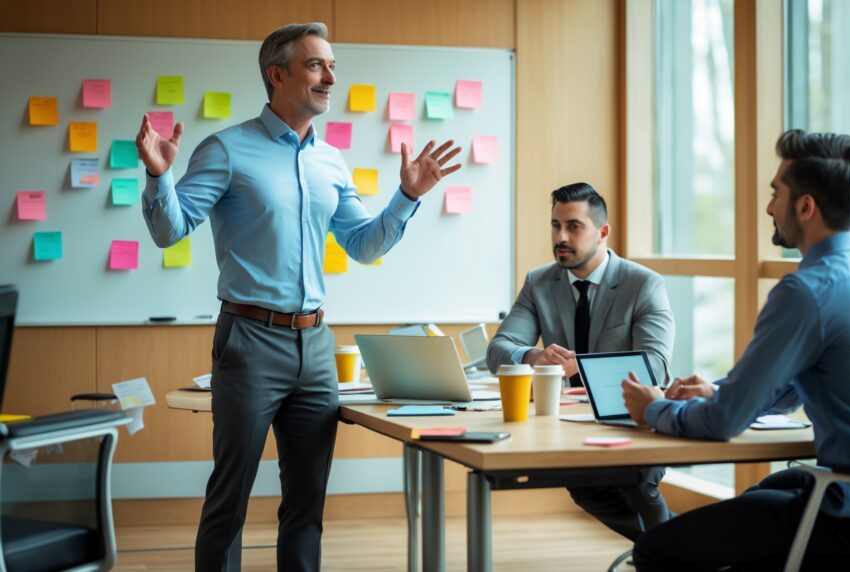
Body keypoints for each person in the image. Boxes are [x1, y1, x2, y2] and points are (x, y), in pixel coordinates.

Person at [136, 22, 461, 571]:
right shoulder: (227, 148)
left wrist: (407, 196)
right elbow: (170, 231)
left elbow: (362, 245)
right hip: (249, 341)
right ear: (277, 74)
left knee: (307, 504)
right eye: (316, 65)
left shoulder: (330, 162)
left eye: (332, 66)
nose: (330, 76)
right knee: (229, 497)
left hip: (316, 347)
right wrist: (159, 178)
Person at [622, 129, 850, 571]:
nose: (768, 207)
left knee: (655, 549)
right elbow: (797, 384)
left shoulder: (808, 291)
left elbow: (724, 424)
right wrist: (720, 389)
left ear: (805, 207)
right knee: (757, 502)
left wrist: (653, 409)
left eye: (775, 193)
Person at [487, 182, 674, 541]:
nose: (561, 236)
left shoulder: (644, 284)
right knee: (582, 486)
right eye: (556, 225)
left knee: (638, 485)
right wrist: (532, 355)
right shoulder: (539, 282)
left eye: (574, 226)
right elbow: (498, 351)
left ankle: (672, 553)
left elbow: (655, 366)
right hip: (571, 425)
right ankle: (676, 551)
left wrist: (583, 366)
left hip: (634, 418)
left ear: (603, 232)